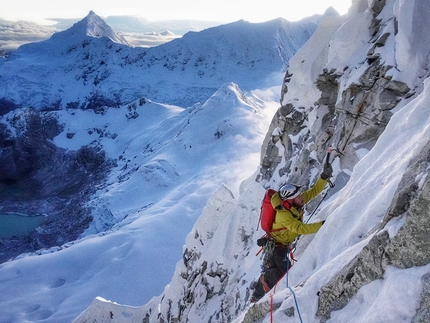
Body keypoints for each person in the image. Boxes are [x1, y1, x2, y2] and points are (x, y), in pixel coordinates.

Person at [250, 162, 333, 303]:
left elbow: (313, 191)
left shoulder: (295, 202)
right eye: (299, 196)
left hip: (280, 244)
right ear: (290, 199)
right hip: (277, 246)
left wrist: (324, 177)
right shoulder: (284, 214)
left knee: (282, 270)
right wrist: (323, 225)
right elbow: (299, 228)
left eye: (300, 195)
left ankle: (259, 288)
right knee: (284, 273)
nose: (302, 197)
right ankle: (262, 285)